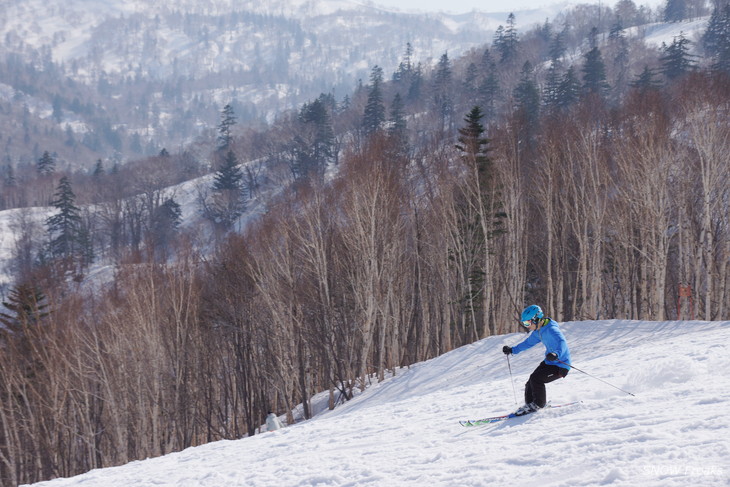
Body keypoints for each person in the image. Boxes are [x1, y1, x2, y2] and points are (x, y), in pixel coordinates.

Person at [502, 305, 571, 416]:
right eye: (525, 324)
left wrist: (556, 354)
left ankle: (538, 405)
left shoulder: (552, 329)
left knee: (536, 379)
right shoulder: (539, 331)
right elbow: (528, 343)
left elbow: (562, 343)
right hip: (550, 362)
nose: (527, 326)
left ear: (536, 318)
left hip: (561, 365)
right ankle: (530, 405)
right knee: (530, 382)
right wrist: (512, 350)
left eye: (528, 323)